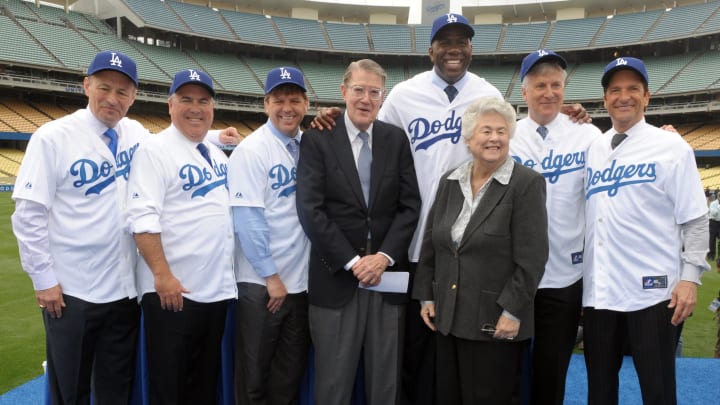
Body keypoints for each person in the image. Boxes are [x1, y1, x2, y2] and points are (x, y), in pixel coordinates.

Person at [310, 13, 589, 404]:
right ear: (431, 50)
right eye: (445, 41)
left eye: (462, 41)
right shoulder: (404, 94)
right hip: (411, 245)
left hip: (477, 253)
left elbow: (512, 131)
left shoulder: (488, 92)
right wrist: (334, 116)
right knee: (415, 359)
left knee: (473, 364)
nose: (454, 48)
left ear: (472, 49)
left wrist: (568, 113)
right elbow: (369, 129)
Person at [11, 49, 144, 405]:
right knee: (70, 391)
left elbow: (173, 148)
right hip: (71, 292)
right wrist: (44, 280)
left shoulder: (136, 133)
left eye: (122, 92)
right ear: (87, 86)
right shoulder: (52, 136)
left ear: (133, 97)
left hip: (123, 290)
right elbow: (29, 214)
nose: (112, 99)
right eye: (104, 87)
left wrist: (214, 139)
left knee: (117, 388)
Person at [583, 56, 709, 404]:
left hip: (654, 291)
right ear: (605, 99)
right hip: (600, 290)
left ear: (647, 96)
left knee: (657, 390)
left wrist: (690, 278)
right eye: (615, 90)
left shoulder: (672, 147)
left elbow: (696, 218)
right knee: (599, 390)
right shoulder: (593, 146)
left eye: (633, 89)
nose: (624, 97)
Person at [296, 58, 421, 405]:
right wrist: (353, 262)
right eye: (358, 90)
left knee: (385, 385)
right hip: (336, 279)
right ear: (343, 92)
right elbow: (311, 209)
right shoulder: (318, 139)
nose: (366, 99)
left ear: (383, 98)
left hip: (387, 279)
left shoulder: (395, 140)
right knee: (333, 385)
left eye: (374, 92)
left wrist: (382, 257)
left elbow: (410, 206)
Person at [412, 96, 549, 404]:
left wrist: (512, 311)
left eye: (501, 131)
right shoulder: (451, 181)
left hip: (495, 321)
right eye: (486, 131)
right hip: (448, 317)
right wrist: (427, 296)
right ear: (469, 139)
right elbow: (432, 241)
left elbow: (533, 258)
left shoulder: (526, 184)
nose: (494, 138)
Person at [126, 68, 237, 404]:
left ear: (213, 109)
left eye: (203, 101)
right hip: (174, 291)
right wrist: (162, 275)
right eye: (186, 99)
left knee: (202, 385)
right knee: (169, 386)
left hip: (213, 291)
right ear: (170, 105)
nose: (195, 107)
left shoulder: (216, 154)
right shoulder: (154, 150)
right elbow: (142, 218)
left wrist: (218, 137)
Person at [511, 49, 602, 404]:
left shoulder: (589, 134)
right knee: (509, 365)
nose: (548, 92)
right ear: (524, 91)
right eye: (539, 85)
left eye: (555, 85)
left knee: (553, 368)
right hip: (514, 272)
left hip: (566, 272)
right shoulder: (508, 135)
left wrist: (666, 135)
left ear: (564, 88)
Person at [228, 66, 311, 405]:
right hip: (263, 285)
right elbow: (248, 221)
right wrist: (271, 277)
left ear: (306, 104)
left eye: (294, 99)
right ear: (266, 104)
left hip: (300, 284)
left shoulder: (310, 147)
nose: (287, 107)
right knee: (253, 380)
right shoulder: (252, 150)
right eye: (279, 100)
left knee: (287, 379)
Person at [708, 196, 720, 263]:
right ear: (718, 197)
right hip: (713, 222)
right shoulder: (713, 204)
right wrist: (719, 206)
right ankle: (711, 256)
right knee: (712, 240)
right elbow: (714, 213)